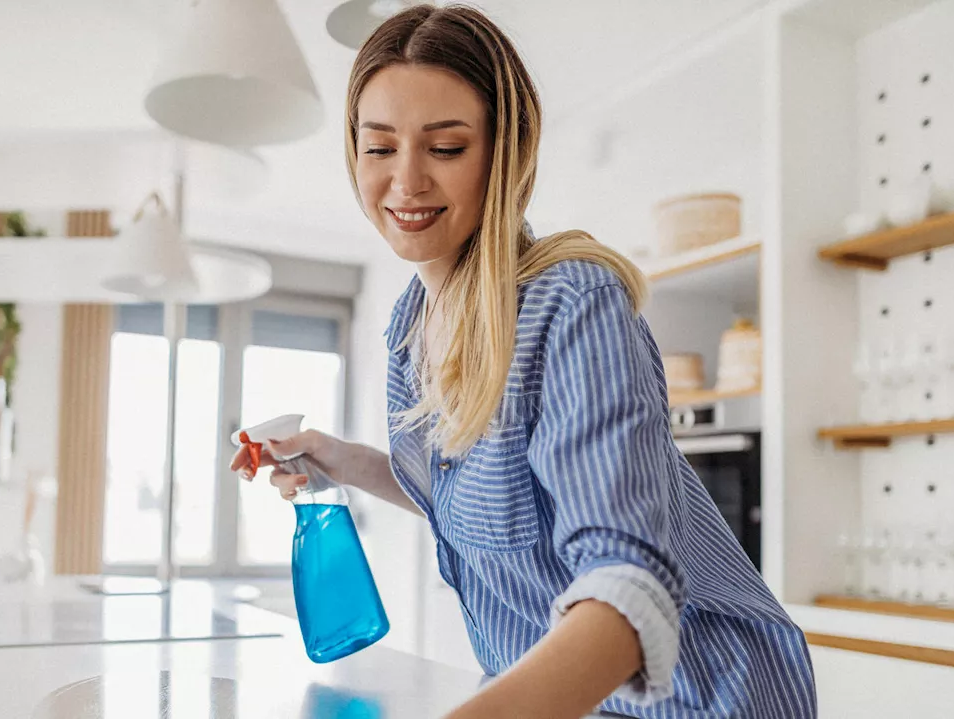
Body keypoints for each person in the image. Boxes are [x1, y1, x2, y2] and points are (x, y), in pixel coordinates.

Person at [231, 5, 817, 718]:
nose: (406, 180)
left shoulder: (573, 304)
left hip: (705, 698)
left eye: (445, 147)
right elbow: (475, 501)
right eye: (379, 147)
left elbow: (628, 584)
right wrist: (337, 458)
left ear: (504, 152)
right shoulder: (410, 330)